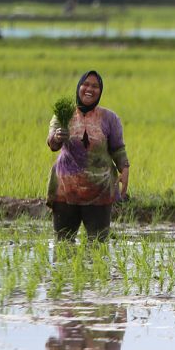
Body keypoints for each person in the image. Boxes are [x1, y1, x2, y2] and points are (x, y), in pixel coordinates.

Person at [46, 70, 130, 242]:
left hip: (99, 190)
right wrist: (56, 137)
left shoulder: (109, 118)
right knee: (63, 245)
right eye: (86, 84)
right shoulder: (63, 113)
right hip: (65, 189)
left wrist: (125, 169)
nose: (89, 89)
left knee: (98, 245)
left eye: (95, 86)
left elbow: (118, 149)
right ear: (79, 87)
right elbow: (52, 144)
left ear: (100, 91)